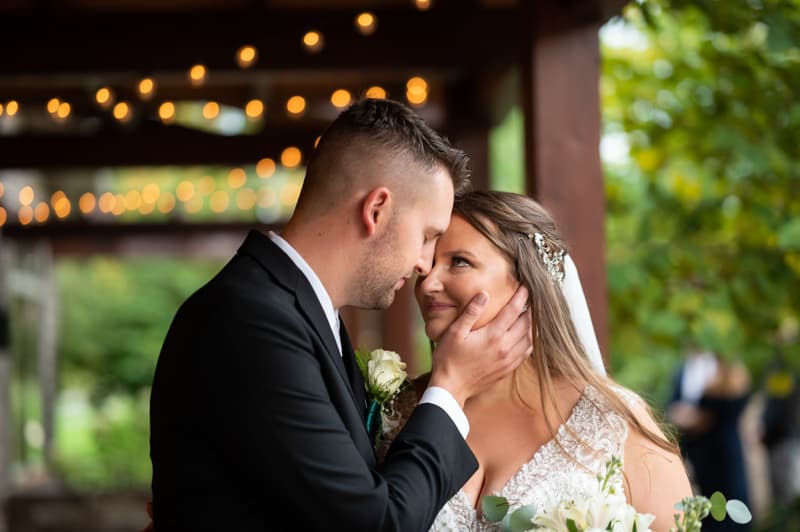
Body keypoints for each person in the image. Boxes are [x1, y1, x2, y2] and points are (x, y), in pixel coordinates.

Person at [148, 99, 533, 531]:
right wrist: (451, 387)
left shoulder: (302, 316)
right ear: (376, 210)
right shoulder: (247, 322)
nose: (426, 263)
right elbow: (375, 524)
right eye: (427, 236)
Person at [379, 190, 692, 531]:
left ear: (528, 282)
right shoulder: (392, 414)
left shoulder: (613, 422)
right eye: (425, 267)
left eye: (459, 262)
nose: (427, 285)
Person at [667, 350, 752, 531]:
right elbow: (673, 403)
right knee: (701, 507)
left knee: (727, 508)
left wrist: (695, 418)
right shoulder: (683, 369)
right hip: (696, 454)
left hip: (722, 454)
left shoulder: (727, 369)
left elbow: (729, 410)